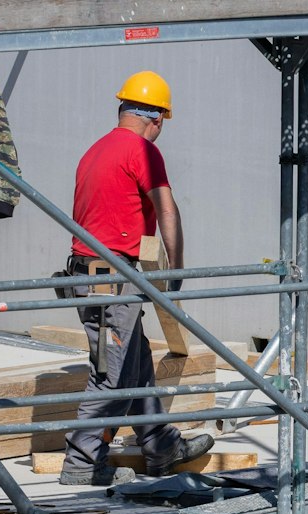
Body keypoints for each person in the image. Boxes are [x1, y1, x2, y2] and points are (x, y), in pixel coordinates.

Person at [58, 70, 213, 487]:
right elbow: (167, 210)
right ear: (156, 119)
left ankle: (160, 445)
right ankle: (81, 462)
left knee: (135, 359)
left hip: (90, 276)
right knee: (113, 373)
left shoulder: (94, 150)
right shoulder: (142, 150)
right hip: (111, 281)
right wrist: (174, 276)